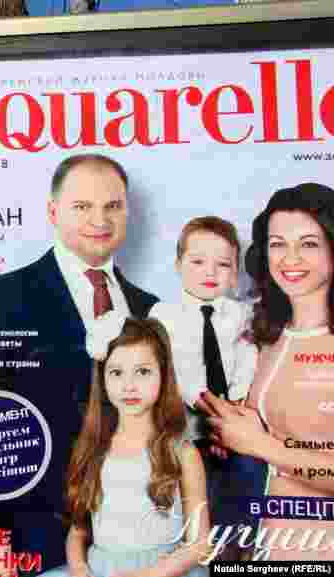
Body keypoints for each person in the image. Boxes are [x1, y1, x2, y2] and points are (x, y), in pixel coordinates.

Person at [0, 154, 158, 571]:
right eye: (82, 206)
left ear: (127, 213)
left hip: (138, 541)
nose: (99, 219)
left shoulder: (152, 310)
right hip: (37, 541)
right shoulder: (0, 297)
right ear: (53, 211)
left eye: (112, 206)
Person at [199, 182, 334, 561]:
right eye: (278, 244)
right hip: (261, 548)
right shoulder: (261, 335)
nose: (290, 258)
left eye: (309, 243)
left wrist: (260, 445)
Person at [38, 316, 210, 577]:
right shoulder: (94, 449)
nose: (129, 386)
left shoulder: (183, 453)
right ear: (103, 380)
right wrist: (80, 569)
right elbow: (78, 531)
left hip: (163, 572)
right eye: (117, 372)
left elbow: (200, 544)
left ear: (163, 375)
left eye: (143, 371)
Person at [148, 217, 265, 550]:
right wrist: (211, 414)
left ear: (235, 270)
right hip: (187, 423)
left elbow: (247, 359)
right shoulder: (164, 315)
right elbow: (171, 372)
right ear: (178, 265)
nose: (210, 273)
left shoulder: (240, 315)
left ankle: (238, 548)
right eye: (198, 262)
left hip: (231, 419)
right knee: (194, 494)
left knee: (243, 482)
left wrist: (234, 407)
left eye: (223, 264)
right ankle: (194, 550)